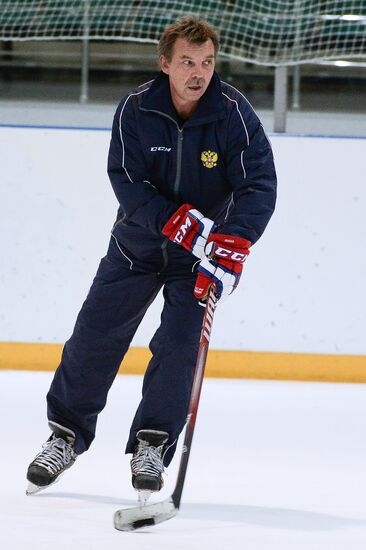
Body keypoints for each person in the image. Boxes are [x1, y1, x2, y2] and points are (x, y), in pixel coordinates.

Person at [26, 15, 277, 498]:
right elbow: (126, 179)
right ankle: (65, 436)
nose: (198, 72)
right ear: (165, 63)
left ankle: (152, 444)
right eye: (186, 61)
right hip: (135, 247)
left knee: (179, 350)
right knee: (94, 339)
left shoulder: (233, 114)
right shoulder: (136, 108)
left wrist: (234, 242)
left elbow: (259, 184)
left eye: (206, 61)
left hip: (197, 260)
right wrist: (171, 220)